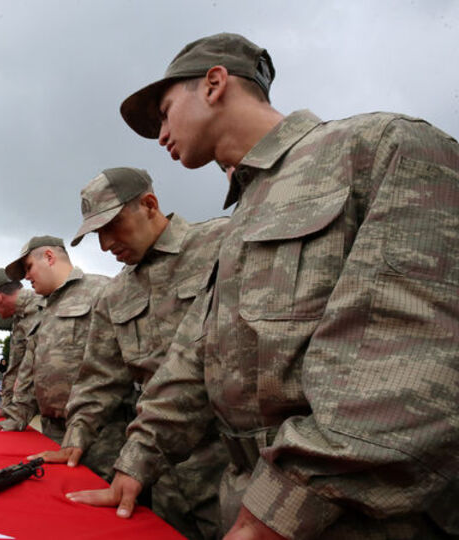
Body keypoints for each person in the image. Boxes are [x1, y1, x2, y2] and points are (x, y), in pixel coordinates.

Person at [72, 33, 459, 539]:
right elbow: (196, 355)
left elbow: (407, 366)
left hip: (357, 517)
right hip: (252, 501)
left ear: (214, 84)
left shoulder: (381, 147)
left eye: (165, 112)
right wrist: (137, 462)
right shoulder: (246, 215)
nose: (160, 134)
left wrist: (277, 510)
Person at [33, 167, 229, 540]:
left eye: (111, 226)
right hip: (159, 469)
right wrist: (75, 436)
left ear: (149, 205)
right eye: (97, 234)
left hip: (229, 464)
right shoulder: (116, 293)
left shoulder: (221, 244)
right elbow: (98, 379)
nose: (105, 244)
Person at [0, 236, 110, 450]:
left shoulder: (102, 290)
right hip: (53, 431)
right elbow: (29, 369)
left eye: (29, 267)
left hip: (101, 435)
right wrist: (16, 417)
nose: (27, 277)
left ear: (49, 257)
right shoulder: (42, 307)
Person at [0, 268, 43, 418]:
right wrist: (6, 407)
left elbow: (36, 365)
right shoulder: (19, 315)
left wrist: (15, 411)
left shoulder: (43, 306)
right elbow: (16, 365)